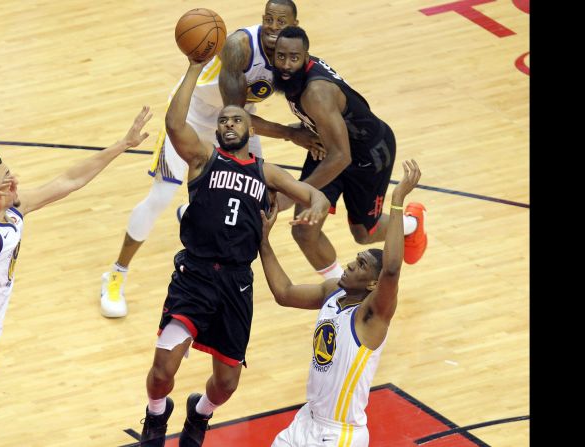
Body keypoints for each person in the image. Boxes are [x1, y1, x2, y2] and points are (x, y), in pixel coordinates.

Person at [0, 107, 153, 447]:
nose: (16, 180)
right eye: (7, 180)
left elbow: (68, 180)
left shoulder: (12, 209)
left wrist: (121, 144)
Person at [138, 54, 330, 447]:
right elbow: (174, 124)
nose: (228, 124)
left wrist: (316, 209)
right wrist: (193, 68)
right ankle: (155, 417)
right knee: (162, 369)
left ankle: (200, 412)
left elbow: (314, 194)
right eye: (223, 120)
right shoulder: (203, 159)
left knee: (226, 383)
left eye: (236, 119)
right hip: (194, 275)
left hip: (238, 282)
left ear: (249, 128)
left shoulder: (266, 171)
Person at [99, 0, 323, 318]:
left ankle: (193, 209)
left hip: (237, 123)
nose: (274, 27)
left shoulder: (291, 54)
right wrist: (290, 134)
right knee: (160, 196)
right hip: (194, 116)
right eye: (269, 20)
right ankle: (116, 274)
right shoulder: (240, 47)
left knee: (264, 198)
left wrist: (319, 132)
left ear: (296, 24)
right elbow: (234, 113)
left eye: (282, 21)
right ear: (262, 20)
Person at [259, 159, 422, 447]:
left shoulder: (372, 316)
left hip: (339, 435)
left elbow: (392, 269)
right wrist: (263, 241)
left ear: (374, 284)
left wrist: (396, 201)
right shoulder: (332, 292)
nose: (349, 265)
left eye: (360, 265)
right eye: (355, 259)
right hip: (305, 420)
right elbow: (284, 293)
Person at [268, 25, 427, 283]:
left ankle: (412, 224)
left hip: (368, 154)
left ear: (306, 58)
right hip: (330, 147)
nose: (286, 64)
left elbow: (342, 157)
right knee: (304, 231)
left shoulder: (316, 93)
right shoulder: (292, 77)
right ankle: (344, 290)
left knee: (364, 233)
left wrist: (292, 192)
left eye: (294, 58)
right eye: (281, 57)